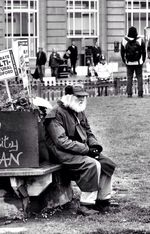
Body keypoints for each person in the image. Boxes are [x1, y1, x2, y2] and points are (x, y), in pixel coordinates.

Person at [44, 84, 116, 216]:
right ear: (69, 96)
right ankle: (85, 205)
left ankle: (102, 200)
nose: (82, 99)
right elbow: (61, 142)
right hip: (61, 153)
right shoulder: (56, 113)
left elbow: (88, 132)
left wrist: (94, 146)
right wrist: (86, 149)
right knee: (92, 165)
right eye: (78, 96)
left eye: (83, 96)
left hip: (79, 150)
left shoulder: (78, 110)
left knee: (107, 164)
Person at [121, 26, 146, 98]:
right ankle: (140, 93)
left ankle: (129, 93)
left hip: (129, 62)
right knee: (139, 77)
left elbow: (122, 52)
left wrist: (124, 61)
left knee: (129, 78)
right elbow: (143, 52)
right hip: (138, 62)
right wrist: (143, 60)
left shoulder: (124, 40)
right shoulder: (140, 40)